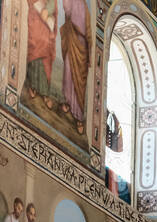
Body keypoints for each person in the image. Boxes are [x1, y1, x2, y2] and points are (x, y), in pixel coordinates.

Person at [59, 0, 89, 134]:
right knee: (68, 72)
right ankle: (68, 102)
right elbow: (67, 11)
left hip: (81, 45)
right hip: (72, 40)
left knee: (79, 80)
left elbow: (87, 30)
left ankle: (78, 115)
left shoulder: (83, 7)